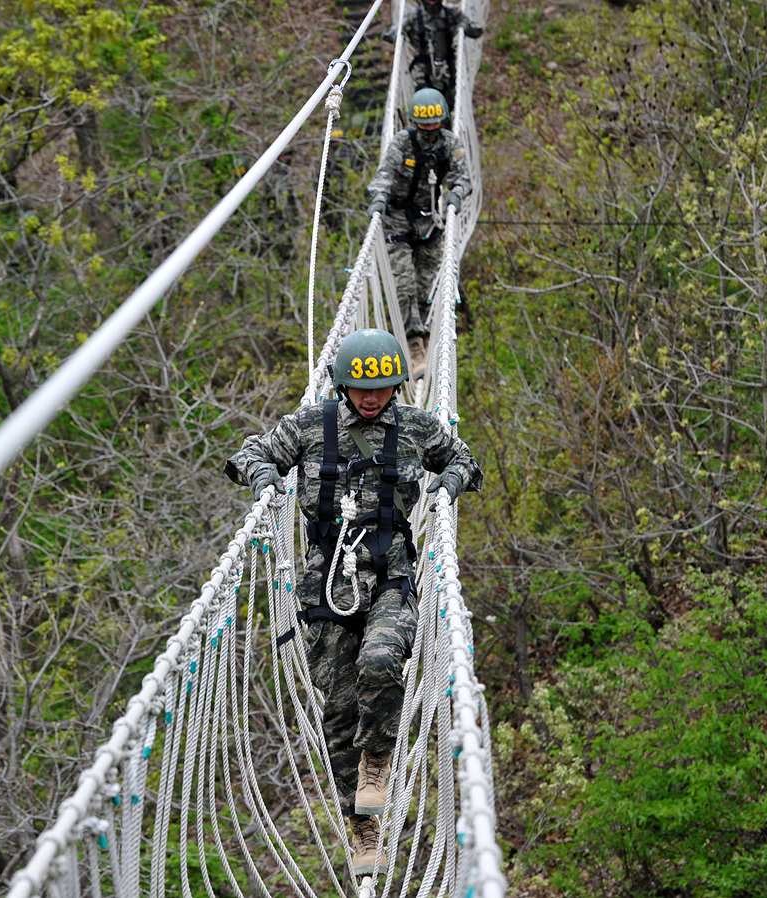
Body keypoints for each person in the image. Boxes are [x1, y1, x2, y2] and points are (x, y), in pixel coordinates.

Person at [224, 328, 482, 877]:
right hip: (327, 585)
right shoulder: (312, 427)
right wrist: (266, 477)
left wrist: (446, 488)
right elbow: (248, 453)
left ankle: (379, 759)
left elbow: (465, 462)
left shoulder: (416, 429)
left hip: (392, 572)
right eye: (362, 390)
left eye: (383, 388)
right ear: (343, 385)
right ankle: (363, 831)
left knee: (382, 660)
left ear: (395, 386)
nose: (372, 399)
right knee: (338, 712)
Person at [367, 88, 471, 378]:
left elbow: (462, 178)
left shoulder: (449, 144)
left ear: (442, 121)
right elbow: (384, 175)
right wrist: (378, 198)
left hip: (430, 222)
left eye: (434, 124)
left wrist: (456, 195)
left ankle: (424, 336)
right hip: (397, 221)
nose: (428, 131)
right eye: (423, 125)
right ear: (414, 122)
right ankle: (413, 344)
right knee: (404, 284)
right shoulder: (402, 143)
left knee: (428, 288)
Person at [383, 0, 485, 107]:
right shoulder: (413, 17)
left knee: (450, 105)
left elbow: (477, 31)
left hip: (449, 70)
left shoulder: (451, 13)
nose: (432, 3)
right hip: (424, 71)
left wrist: (463, 28)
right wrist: (398, 34)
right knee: (425, 104)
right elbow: (389, 34)